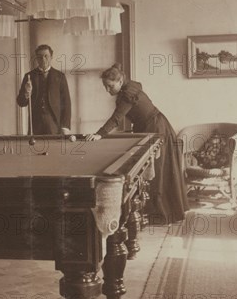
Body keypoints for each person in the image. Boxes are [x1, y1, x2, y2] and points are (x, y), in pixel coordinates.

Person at [86, 64, 189, 224]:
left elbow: (117, 117)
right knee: (150, 169)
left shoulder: (128, 93)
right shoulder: (128, 87)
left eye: (110, 85)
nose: (107, 90)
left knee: (156, 170)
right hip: (150, 126)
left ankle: (160, 214)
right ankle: (150, 211)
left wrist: (100, 134)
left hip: (156, 128)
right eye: (105, 86)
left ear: (120, 81)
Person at [17, 45, 72, 135]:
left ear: (51, 57)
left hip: (54, 123)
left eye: (46, 56)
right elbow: (21, 102)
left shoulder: (60, 76)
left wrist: (65, 126)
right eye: (40, 57)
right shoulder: (29, 76)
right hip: (35, 124)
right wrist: (27, 92)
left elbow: (66, 103)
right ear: (36, 59)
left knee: (54, 148)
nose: (43, 59)